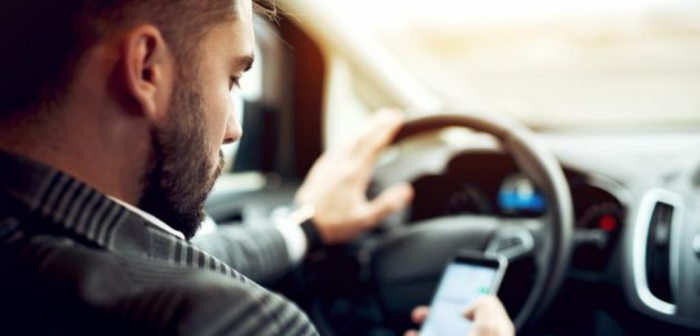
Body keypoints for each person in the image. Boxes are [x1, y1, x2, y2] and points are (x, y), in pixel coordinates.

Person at [0, 0, 514, 335]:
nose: (232, 131)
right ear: (146, 70)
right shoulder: (232, 322)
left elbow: (179, 252)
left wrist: (308, 227)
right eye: (231, 78)